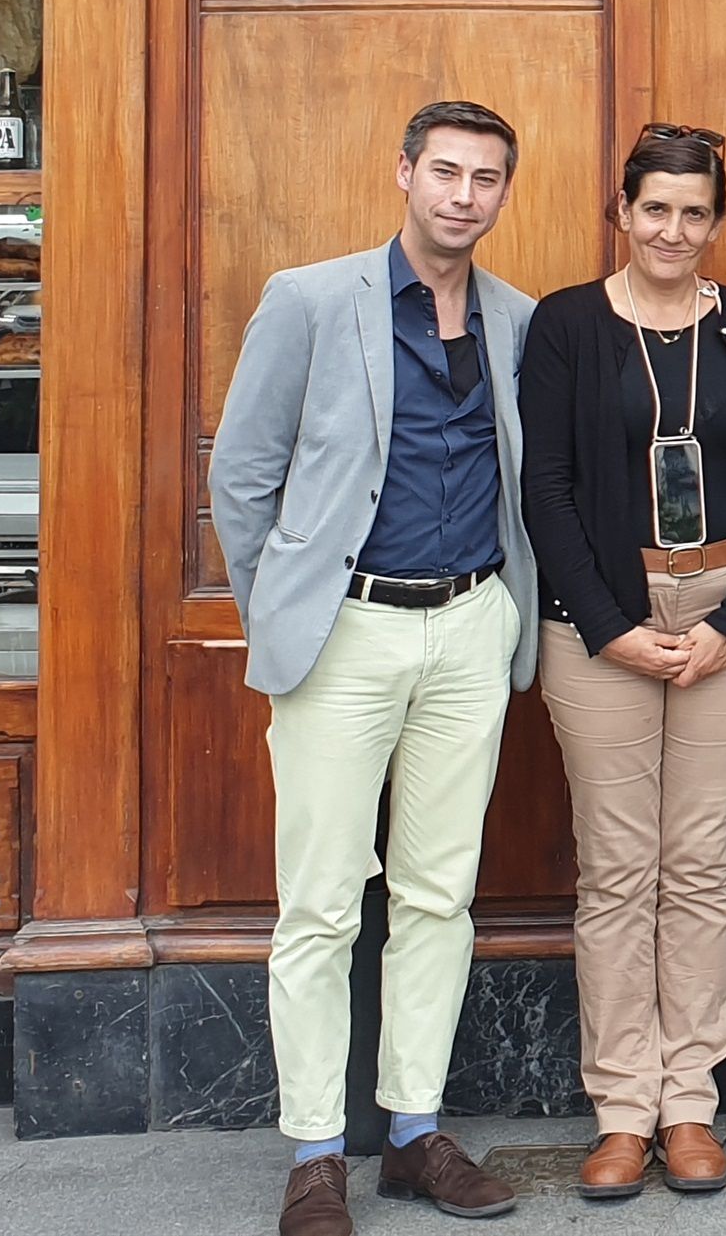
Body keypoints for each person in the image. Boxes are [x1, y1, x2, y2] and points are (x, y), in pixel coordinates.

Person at [208, 101, 539, 1236]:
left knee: (438, 893)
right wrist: (289, 616)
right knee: (320, 900)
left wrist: (502, 619)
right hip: (344, 631)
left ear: (504, 191)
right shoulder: (310, 298)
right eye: (443, 170)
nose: (463, 193)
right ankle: (313, 1152)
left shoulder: (518, 319)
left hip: (469, 624)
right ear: (403, 172)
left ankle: (413, 1131)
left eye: (485, 177)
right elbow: (242, 474)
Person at [517, 124, 726, 1203]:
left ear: (714, 224)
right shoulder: (567, 325)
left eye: (694, 212)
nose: (673, 229)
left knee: (696, 863)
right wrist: (609, 623)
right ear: (620, 211)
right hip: (602, 620)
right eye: (655, 208)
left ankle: (691, 1103)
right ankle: (621, 1111)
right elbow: (544, 485)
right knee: (618, 868)